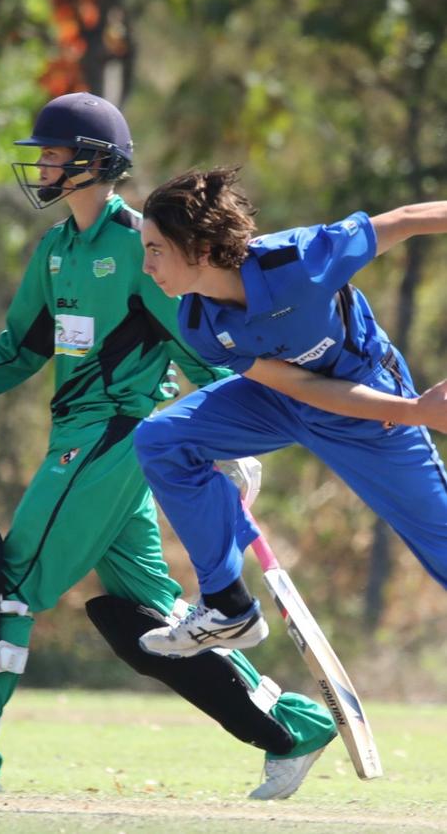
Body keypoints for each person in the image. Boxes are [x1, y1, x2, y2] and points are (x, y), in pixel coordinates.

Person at [0, 97, 340, 801]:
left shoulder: (136, 247)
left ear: (94, 161)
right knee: (152, 622)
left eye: (55, 153)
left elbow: (202, 346)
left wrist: (231, 441)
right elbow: (18, 350)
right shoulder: (57, 252)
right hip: (81, 438)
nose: (43, 165)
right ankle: (292, 728)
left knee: (4, 586)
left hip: (114, 435)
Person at [132, 166, 447, 659]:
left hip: (368, 401)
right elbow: (294, 385)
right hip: (284, 401)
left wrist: (411, 411)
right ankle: (227, 606)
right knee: (161, 441)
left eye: (155, 250)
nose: (147, 266)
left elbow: (406, 219)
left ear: (201, 249)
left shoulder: (300, 260)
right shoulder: (198, 323)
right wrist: (414, 411)